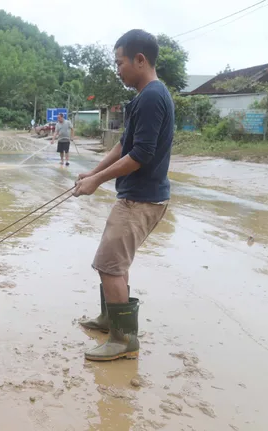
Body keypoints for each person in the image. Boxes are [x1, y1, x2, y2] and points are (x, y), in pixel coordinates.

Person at [73, 29, 174, 361]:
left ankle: (123, 339)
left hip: (141, 199)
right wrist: (93, 171)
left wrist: (97, 182)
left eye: (120, 63)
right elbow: (122, 145)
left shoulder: (152, 97)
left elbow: (140, 155)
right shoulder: (142, 98)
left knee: (109, 265)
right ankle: (110, 319)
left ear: (139, 60)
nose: (118, 70)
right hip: (135, 195)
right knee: (117, 263)